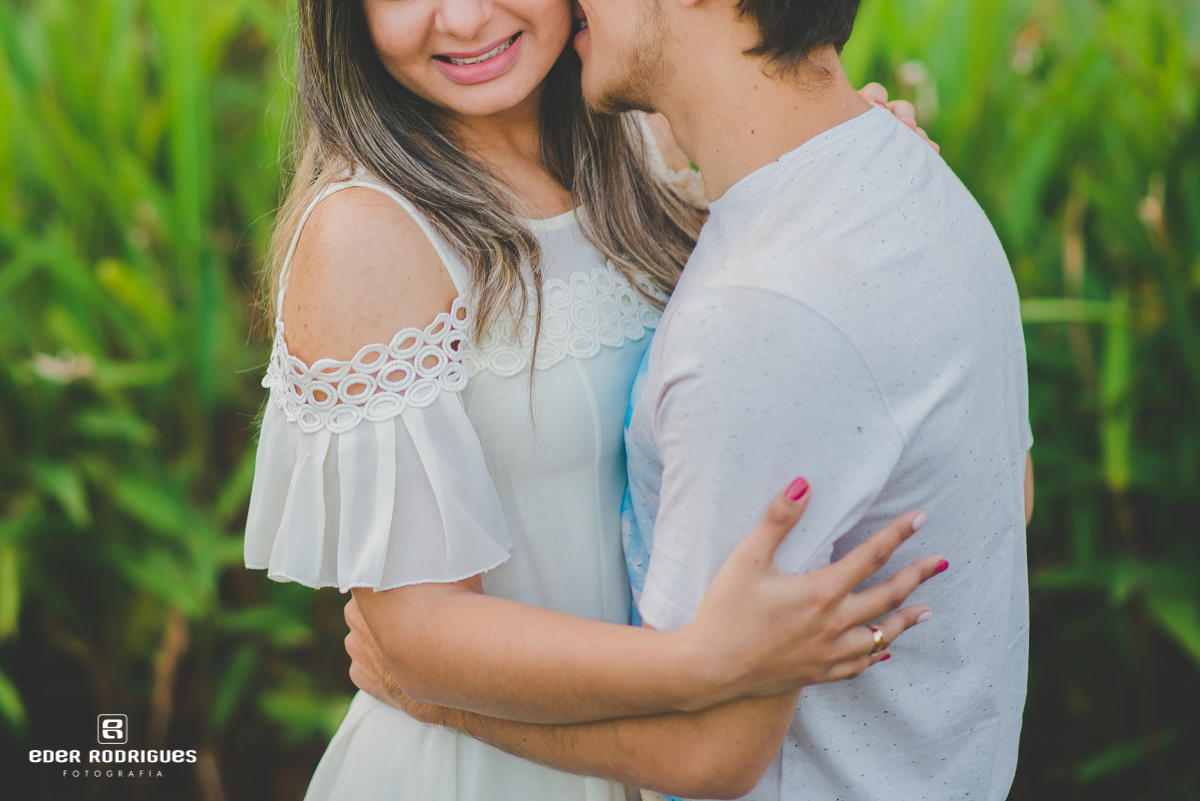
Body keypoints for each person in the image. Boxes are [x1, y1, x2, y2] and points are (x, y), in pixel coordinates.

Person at [244, 1, 942, 800]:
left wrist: (865, 184)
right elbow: (417, 638)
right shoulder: (368, 233)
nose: (466, 19)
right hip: (481, 770)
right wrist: (702, 662)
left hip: (675, 757)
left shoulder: (648, 148)